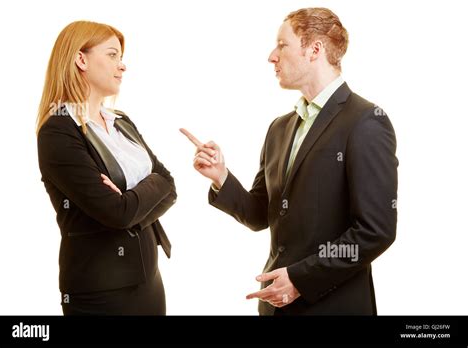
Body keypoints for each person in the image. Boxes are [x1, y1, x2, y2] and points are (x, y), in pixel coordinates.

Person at [181, 7, 398, 315]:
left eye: (282, 45)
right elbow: (258, 214)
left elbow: (375, 230)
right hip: (275, 309)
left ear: (315, 49)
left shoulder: (365, 121)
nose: (272, 55)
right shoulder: (280, 127)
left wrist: (300, 278)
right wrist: (221, 177)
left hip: (334, 308)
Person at [36, 21, 176, 315]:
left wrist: (129, 199)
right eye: (112, 55)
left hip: (150, 281)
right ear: (81, 59)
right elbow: (115, 212)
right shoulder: (59, 130)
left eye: (121, 57)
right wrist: (139, 196)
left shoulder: (121, 121)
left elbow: (169, 185)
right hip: (101, 292)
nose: (122, 66)